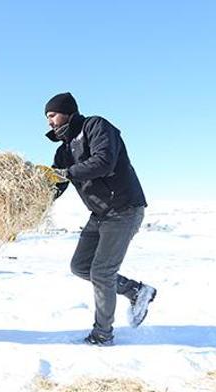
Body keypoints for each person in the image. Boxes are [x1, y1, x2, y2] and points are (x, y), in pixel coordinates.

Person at [41, 92, 156, 346]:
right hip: (100, 213)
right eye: (47, 117)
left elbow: (104, 162)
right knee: (80, 266)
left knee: (102, 272)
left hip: (124, 208)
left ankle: (102, 334)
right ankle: (136, 291)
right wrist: (33, 197)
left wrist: (66, 172)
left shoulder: (96, 126)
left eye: (52, 115)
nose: (49, 121)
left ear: (67, 112)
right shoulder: (63, 152)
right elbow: (57, 184)